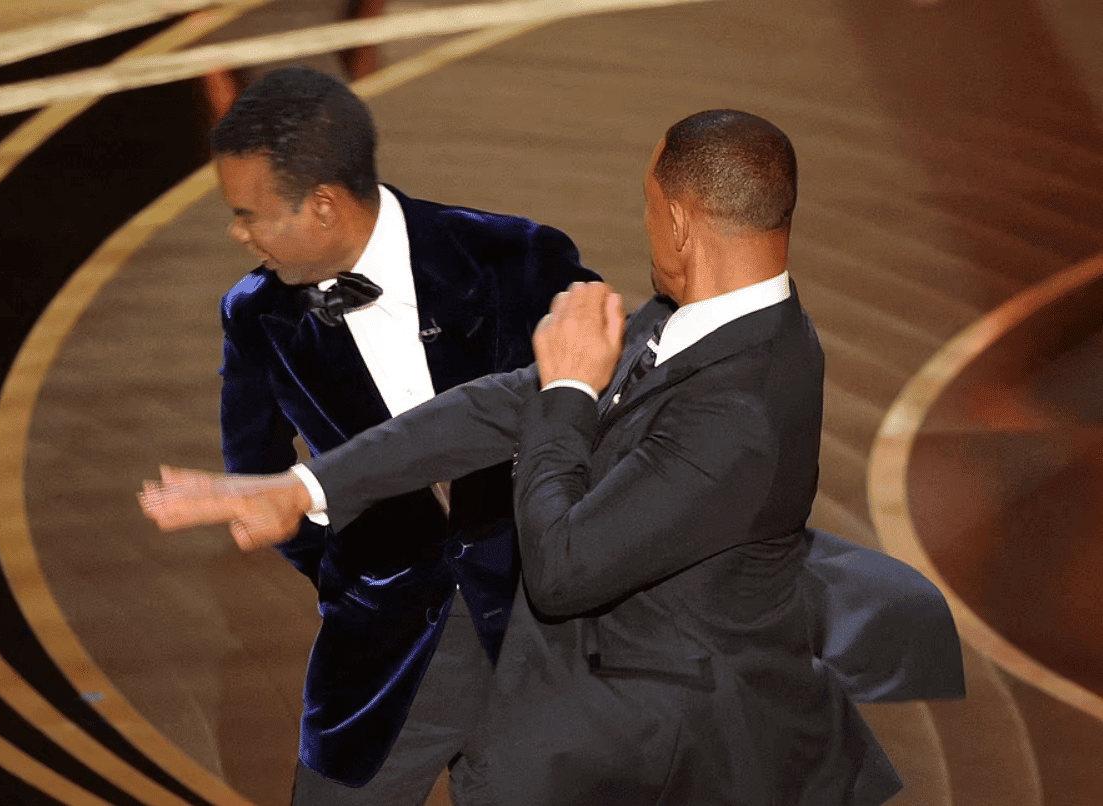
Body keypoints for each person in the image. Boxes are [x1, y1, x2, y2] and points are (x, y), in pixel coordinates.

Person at [142, 109, 963, 803]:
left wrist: (568, 392)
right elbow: (501, 403)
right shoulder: (689, 318)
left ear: (680, 220)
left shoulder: (743, 408)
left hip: (665, 752)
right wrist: (305, 486)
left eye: (649, 206)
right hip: (590, 711)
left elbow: (565, 568)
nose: (646, 224)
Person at [207, 66, 599, 804]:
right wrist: (351, 571)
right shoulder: (255, 314)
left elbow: (608, 413)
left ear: (323, 205)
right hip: (380, 659)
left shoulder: (516, 257)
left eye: (248, 214)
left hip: (546, 643)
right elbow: (255, 468)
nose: (237, 233)